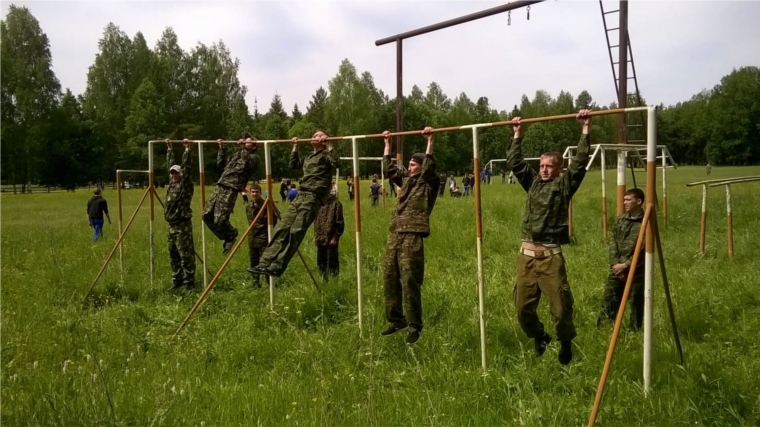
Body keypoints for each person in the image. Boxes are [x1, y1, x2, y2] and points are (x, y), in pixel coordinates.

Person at [506, 109, 591, 365]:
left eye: (549, 166)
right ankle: (540, 336)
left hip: (550, 259)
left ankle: (565, 343)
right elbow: (515, 161)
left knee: (561, 309)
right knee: (522, 309)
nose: (543, 170)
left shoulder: (563, 185)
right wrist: (517, 133)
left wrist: (585, 129)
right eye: (541, 165)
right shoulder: (532, 182)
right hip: (526, 259)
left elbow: (579, 164)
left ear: (558, 168)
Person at [380, 127, 440, 345]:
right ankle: (397, 320)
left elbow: (430, 167)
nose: (409, 166)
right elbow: (389, 169)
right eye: (410, 163)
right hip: (395, 233)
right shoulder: (405, 180)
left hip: (412, 235)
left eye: (414, 164)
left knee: (409, 280)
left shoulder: (429, 183)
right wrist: (387, 144)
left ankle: (415, 325)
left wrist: (429, 141)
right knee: (389, 277)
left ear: (422, 166)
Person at [250, 131, 337, 277]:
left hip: (313, 197)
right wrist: (295, 148)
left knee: (296, 231)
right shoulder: (309, 156)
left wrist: (329, 145)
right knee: (282, 227)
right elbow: (293, 164)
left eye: (319, 135)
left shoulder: (327, 156)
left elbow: (337, 162)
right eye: (314, 135)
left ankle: (278, 266)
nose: (315, 136)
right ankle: (264, 261)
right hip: (300, 195)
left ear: (324, 140)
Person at [202, 134, 259, 255]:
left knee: (220, 220)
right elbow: (221, 164)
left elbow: (243, 166)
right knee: (206, 215)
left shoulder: (253, 158)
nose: (244, 142)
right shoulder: (236, 155)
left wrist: (243, 148)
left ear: (253, 146)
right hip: (220, 185)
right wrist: (221, 148)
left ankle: (231, 235)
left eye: (247, 141)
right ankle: (228, 236)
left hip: (231, 188)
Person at [598, 188, 646, 330]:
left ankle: (634, 332)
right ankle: (604, 329)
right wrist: (615, 264)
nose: (624, 203)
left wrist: (626, 265)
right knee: (609, 300)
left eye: (628, 200)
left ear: (638, 202)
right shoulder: (620, 220)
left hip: (636, 271)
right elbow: (613, 242)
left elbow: (644, 249)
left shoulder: (645, 222)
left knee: (636, 303)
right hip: (616, 270)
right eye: (624, 200)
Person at [164, 139, 196, 292]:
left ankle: (189, 282)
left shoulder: (185, 185)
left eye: (176, 173)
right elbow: (169, 166)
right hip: (171, 226)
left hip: (182, 225)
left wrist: (187, 151)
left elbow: (188, 169)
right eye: (172, 173)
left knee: (185, 255)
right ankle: (177, 280)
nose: (174, 175)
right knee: (173, 255)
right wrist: (169, 149)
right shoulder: (171, 185)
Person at [246, 183, 276, 288]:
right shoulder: (248, 206)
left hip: (264, 238)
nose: (255, 194)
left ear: (260, 193)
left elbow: (274, 221)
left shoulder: (266, 205)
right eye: (253, 192)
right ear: (250, 193)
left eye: (257, 192)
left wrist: (266, 232)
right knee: (253, 261)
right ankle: (255, 282)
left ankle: (270, 282)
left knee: (266, 261)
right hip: (252, 238)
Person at [314, 185, 344, 278]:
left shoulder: (336, 203)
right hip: (320, 237)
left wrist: (335, 237)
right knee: (321, 261)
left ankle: (334, 280)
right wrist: (315, 235)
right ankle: (323, 279)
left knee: (332, 261)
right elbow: (316, 220)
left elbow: (340, 222)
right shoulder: (318, 203)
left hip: (331, 238)